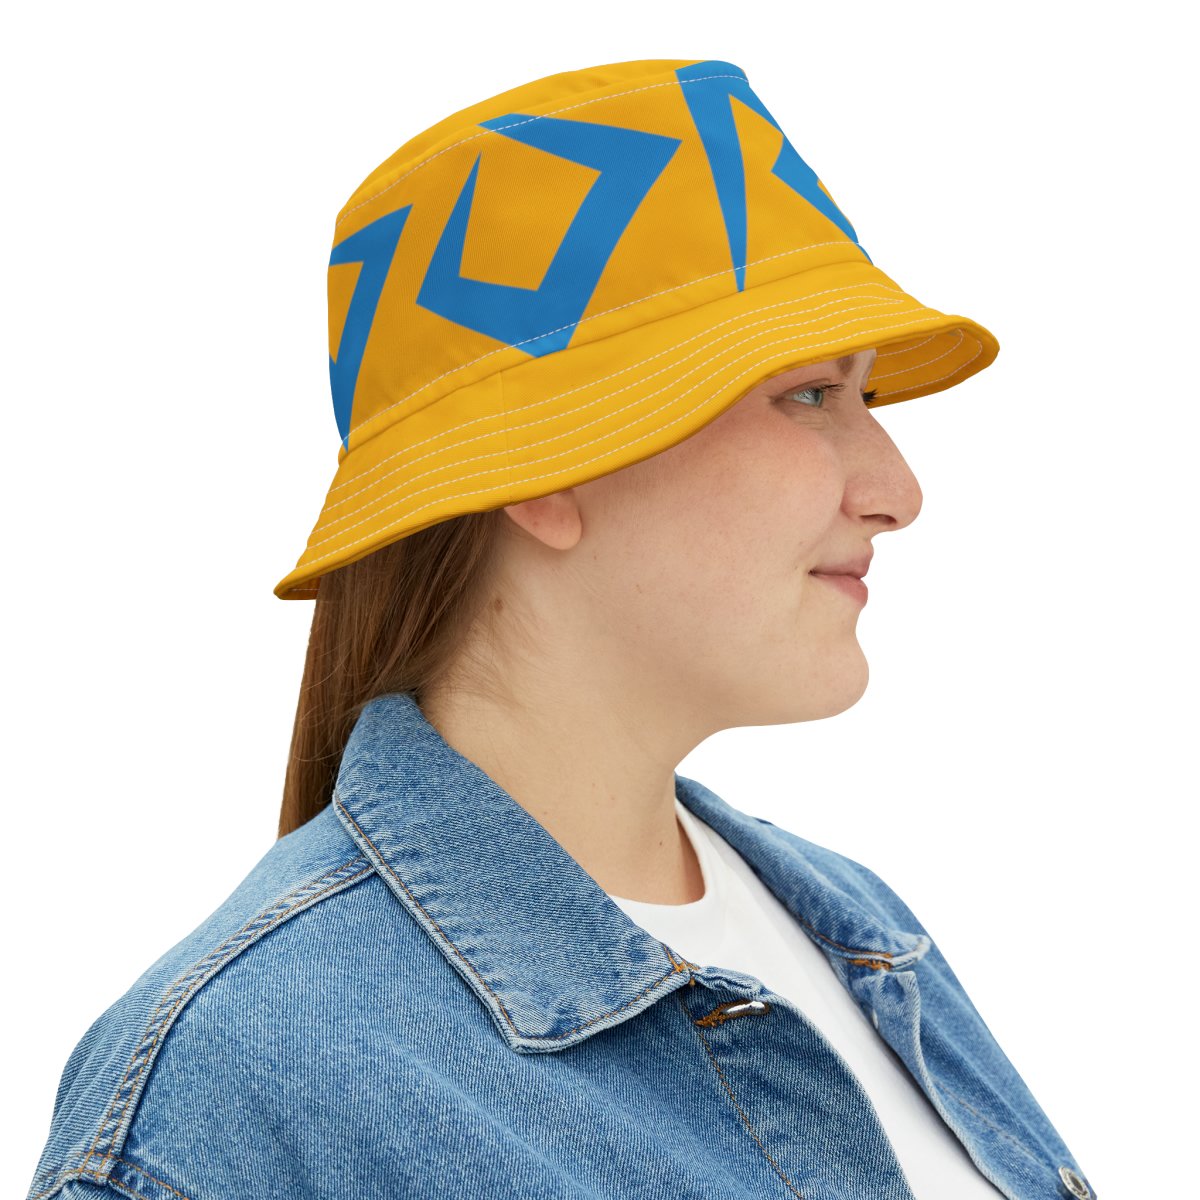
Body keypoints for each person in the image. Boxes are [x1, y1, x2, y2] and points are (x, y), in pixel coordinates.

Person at [26, 56, 1099, 1200]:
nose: (898, 491)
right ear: (542, 465)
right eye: (809, 394)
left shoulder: (861, 932)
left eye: (865, 397)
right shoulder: (231, 1088)